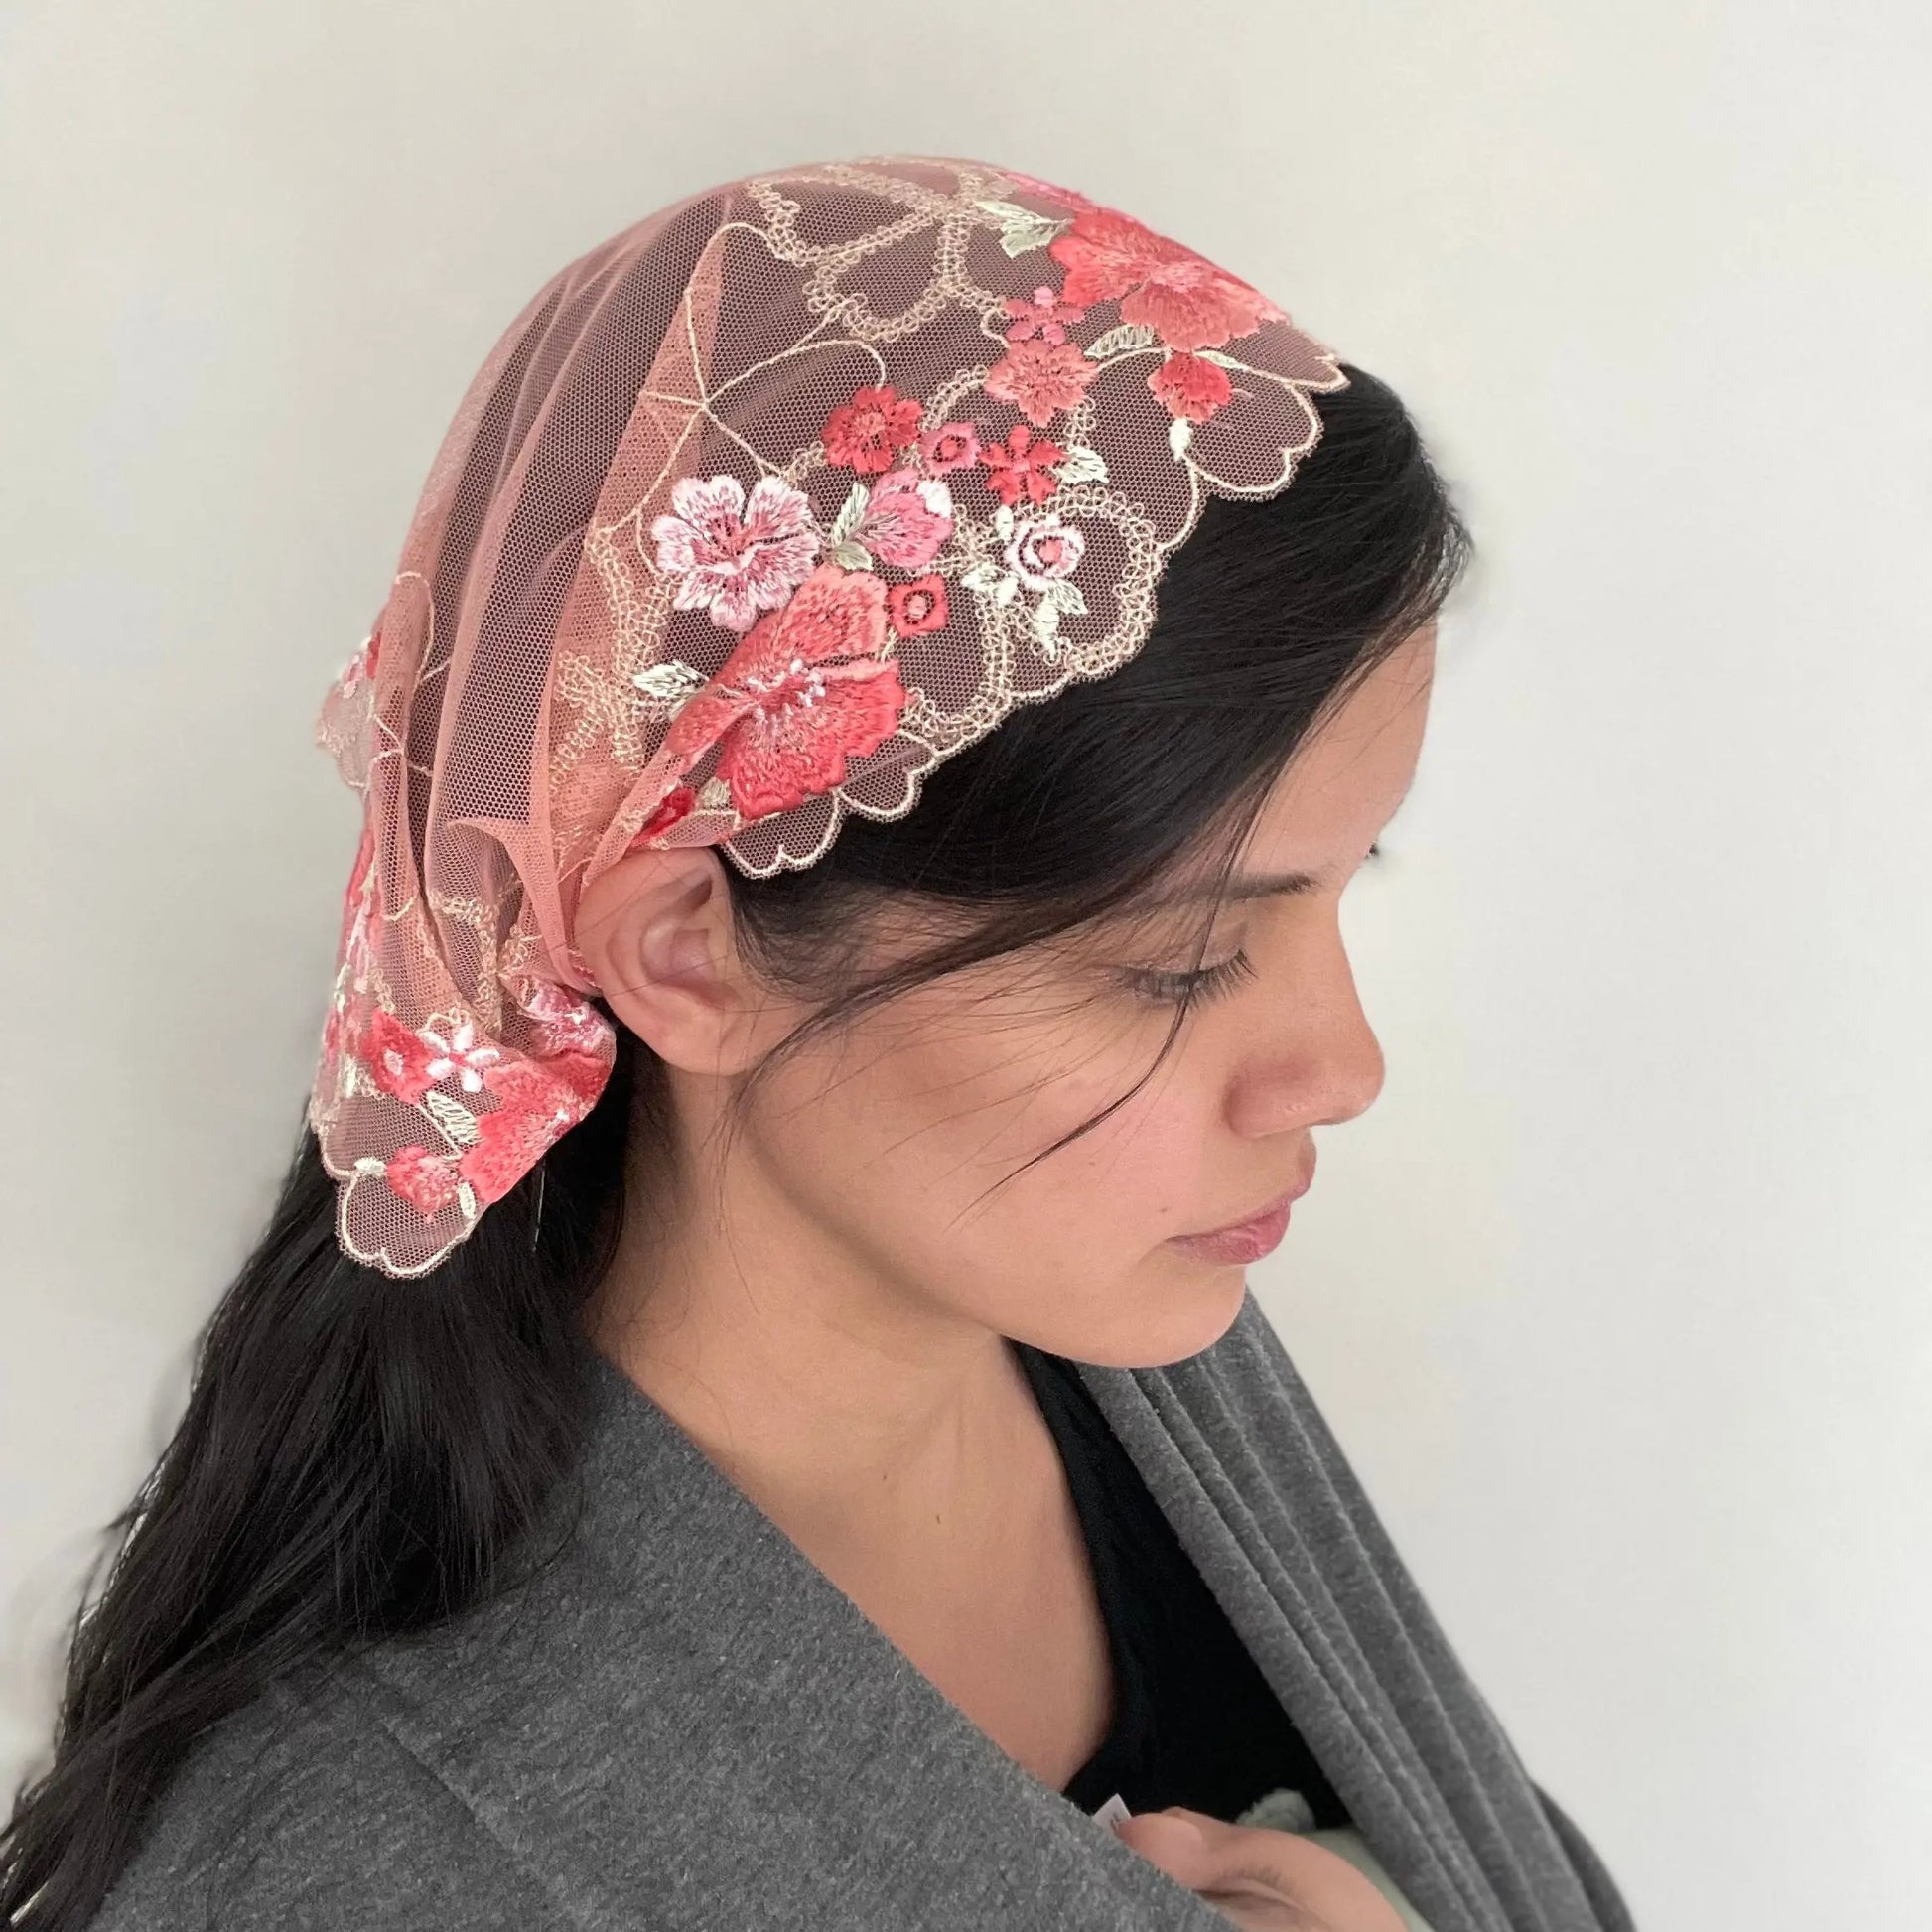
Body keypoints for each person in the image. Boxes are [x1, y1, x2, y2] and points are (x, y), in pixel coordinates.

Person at [0, 156, 1634, 1932]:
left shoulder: (1149, 1370)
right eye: (1178, 966)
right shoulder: (349, 1870)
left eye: (1341, 892)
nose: (1339, 1066)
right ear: (687, 949)